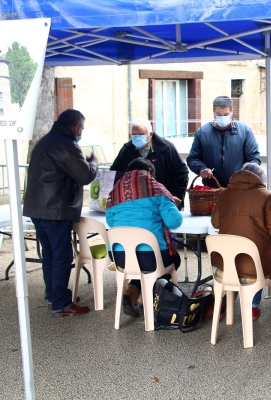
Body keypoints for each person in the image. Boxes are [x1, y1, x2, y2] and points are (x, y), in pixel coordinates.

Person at [23, 109, 98, 317]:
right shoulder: (65, 144)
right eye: (81, 128)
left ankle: (54, 295)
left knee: (50, 254)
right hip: (54, 210)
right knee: (62, 256)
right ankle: (62, 304)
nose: (81, 132)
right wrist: (93, 163)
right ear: (76, 127)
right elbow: (84, 175)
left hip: (37, 208)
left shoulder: (47, 140)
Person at [106, 158, 182, 317]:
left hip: (120, 258)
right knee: (174, 260)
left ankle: (131, 292)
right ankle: (145, 299)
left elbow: (110, 221)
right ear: (150, 175)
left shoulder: (115, 193)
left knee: (140, 267)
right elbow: (175, 221)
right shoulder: (156, 190)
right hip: (151, 256)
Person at [211, 163, 271, 320]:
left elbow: (215, 223)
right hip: (253, 270)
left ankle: (231, 310)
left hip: (223, 268)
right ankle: (252, 307)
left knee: (247, 256)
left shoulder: (224, 194)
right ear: (260, 178)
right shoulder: (265, 195)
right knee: (258, 259)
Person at [110, 119, 189, 209]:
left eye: (140, 134)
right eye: (134, 134)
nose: (136, 137)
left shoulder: (165, 148)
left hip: (163, 202)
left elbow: (181, 172)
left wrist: (177, 195)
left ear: (150, 134)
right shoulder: (127, 150)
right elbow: (115, 173)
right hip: (135, 203)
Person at [187, 96, 261, 187]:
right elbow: (193, 158)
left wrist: (244, 175)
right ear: (213, 112)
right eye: (218, 114)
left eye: (226, 114)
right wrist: (201, 168)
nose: (222, 117)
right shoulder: (202, 132)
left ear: (232, 111)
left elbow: (254, 159)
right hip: (211, 189)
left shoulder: (245, 131)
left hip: (239, 188)